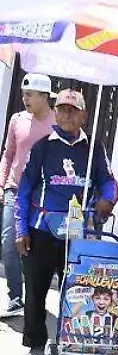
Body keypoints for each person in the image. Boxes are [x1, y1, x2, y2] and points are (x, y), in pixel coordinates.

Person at [15, 89, 117, 355]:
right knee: (35, 289)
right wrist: (21, 229)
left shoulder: (94, 148)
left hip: (78, 231)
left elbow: (108, 180)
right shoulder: (42, 147)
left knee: (76, 291)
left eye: (72, 110)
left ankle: (68, 341)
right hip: (42, 228)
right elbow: (24, 190)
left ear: (84, 115)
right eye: (61, 109)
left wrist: (108, 199)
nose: (66, 115)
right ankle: (35, 340)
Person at [0, 73, 55, 316]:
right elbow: (8, 154)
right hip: (14, 189)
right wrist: (1, 185)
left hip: (42, 195)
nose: (25, 99)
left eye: (30, 95)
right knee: (8, 241)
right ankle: (15, 296)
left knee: (36, 249)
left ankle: (34, 300)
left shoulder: (57, 123)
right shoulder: (17, 120)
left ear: (45, 97)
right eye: (23, 94)